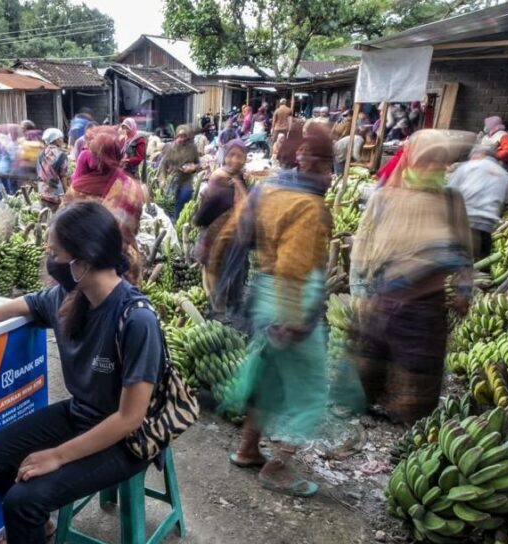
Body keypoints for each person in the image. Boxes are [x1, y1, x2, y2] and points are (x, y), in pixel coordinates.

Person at [0, 201, 162, 544]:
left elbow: (129, 418)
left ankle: (29, 515)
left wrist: (57, 456)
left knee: (23, 501)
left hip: (124, 440)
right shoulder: (72, 297)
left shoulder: (136, 320)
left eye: (55, 253)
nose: (50, 261)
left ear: (82, 262)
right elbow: (25, 303)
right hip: (80, 414)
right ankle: (36, 523)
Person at [215, 127, 335, 498]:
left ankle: (247, 449)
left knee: (266, 377)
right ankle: (278, 466)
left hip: (264, 293)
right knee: (309, 388)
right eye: (331, 166)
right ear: (316, 163)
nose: (333, 175)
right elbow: (294, 267)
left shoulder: (268, 188)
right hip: (290, 297)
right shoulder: (308, 207)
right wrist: (294, 319)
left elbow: (231, 232)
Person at [349, 129, 474, 424]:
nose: (433, 168)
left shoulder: (451, 200)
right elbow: (363, 245)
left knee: (419, 371)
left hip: (426, 304)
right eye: (426, 160)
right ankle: (364, 411)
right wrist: (360, 292)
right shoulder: (384, 198)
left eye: (439, 162)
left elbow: (465, 251)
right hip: (382, 299)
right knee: (369, 369)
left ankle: (410, 425)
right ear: (410, 161)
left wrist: (464, 291)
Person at [66, 133, 147, 283]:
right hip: (123, 267)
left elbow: (61, 229)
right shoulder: (132, 188)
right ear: (119, 154)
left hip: (82, 269)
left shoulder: (77, 188)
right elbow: (133, 229)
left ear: (93, 155)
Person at [193, 139, 248, 306]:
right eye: (231, 155)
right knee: (216, 274)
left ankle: (228, 310)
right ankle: (218, 311)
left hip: (234, 237)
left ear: (245, 158)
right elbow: (208, 206)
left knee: (232, 274)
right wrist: (199, 221)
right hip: (216, 235)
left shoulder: (239, 177)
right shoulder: (220, 177)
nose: (235, 160)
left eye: (240, 156)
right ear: (225, 156)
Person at [448, 145, 508, 261]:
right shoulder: (504, 174)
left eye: (472, 155)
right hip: (486, 226)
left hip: (463, 221)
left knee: (457, 260)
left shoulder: (467, 167)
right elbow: (505, 200)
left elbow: (450, 191)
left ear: (480, 154)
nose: (471, 157)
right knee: (481, 262)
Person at [160, 125, 200, 221]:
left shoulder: (192, 149)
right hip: (172, 180)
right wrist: (163, 179)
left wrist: (193, 167)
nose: (181, 139)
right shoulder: (170, 148)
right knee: (170, 203)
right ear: (176, 136)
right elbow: (163, 165)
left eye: (184, 136)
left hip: (186, 179)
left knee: (185, 196)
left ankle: (178, 221)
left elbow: (198, 164)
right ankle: (171, 221)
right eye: (179, 136)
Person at [37, 128, 68, 210]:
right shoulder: (62, 155)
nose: (62, 140)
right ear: (56, 140)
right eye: (61, 138)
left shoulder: (41, 153)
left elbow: (39, 172)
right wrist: (66, 193)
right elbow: (63, 176)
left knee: (45, 216)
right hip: (56, 193)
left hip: (42, 191)